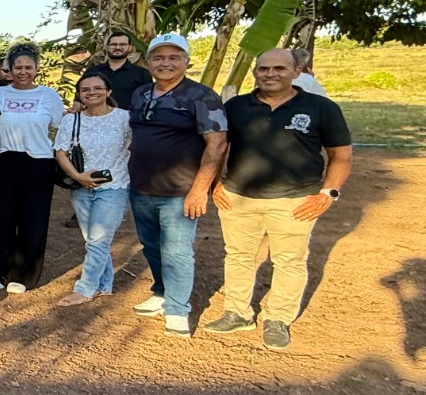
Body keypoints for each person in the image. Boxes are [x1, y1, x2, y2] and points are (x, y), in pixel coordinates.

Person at [205, 48, 352, 349]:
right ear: (255, 72)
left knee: (289, 261)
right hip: (238, 198)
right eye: (263, 68)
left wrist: (329, 193)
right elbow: (218, 147)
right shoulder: (236, 106)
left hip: (295, 201)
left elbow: (341, 155)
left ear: (296, 71)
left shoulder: (321, 108)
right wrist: (215, 184)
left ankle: (278, 318)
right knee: (238, 256)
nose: (270, 74)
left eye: (279, 68)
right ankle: (237, 313)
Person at [127, 33, 227, 337]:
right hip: (141, 187)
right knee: (151, 246)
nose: (165, 63)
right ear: (148, 62)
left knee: (177, 252)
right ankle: (161, 292)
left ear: (186, 61)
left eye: (174, 57)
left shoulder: (201, 96)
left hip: (180, 191)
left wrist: (200, 189)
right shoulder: (141, 93)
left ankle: (177, 309)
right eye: (158, 57)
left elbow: (217, 144)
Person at [0, 44, 65, 294]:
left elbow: (61, 127)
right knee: (0, 218)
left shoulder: (49, 95)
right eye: (17, 67)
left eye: (28, 67)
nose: (22, 72)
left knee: (33, 219)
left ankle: (25, 274)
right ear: (9, 69)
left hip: (38, 162)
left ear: (36, 69)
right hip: (2, 160)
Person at [54, 74, 131, 307]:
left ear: (108, 91)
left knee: (98, 240)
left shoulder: (124, 118)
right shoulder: (72, 120)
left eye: (98, 88)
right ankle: (104, 284)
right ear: (79, 94)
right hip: (81, 186)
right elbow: (60, 152)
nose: (92, 92)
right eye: (85, 89)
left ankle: (85, 289)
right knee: (93, 240)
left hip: (114, 186)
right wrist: (78, 176)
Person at [82, 32, 152, 110]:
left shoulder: (142, 73)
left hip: (129, 116)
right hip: (96, 115)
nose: (117, 47)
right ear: (107, 47)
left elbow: (148, 100)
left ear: (130, 47)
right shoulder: (92, 71)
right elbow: (80, 96)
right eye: (113, 44)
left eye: (122, 44)